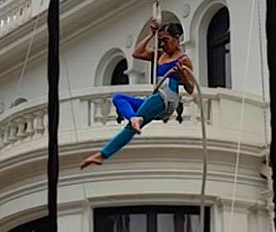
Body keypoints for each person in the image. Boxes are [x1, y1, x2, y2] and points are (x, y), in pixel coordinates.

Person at [80, 21, 195, 169]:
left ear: (176, 38)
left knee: (130, 128)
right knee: (118, 98)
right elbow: (137, 53)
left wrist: (182, 75)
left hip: (166, 100)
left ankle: (102, 154)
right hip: (155, 98)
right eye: (160, 41)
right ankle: (134, 118)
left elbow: (191, 88)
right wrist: (151, 34)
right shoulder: (160, 55)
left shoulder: (183, 60)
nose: (163, 44)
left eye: (166, 40)